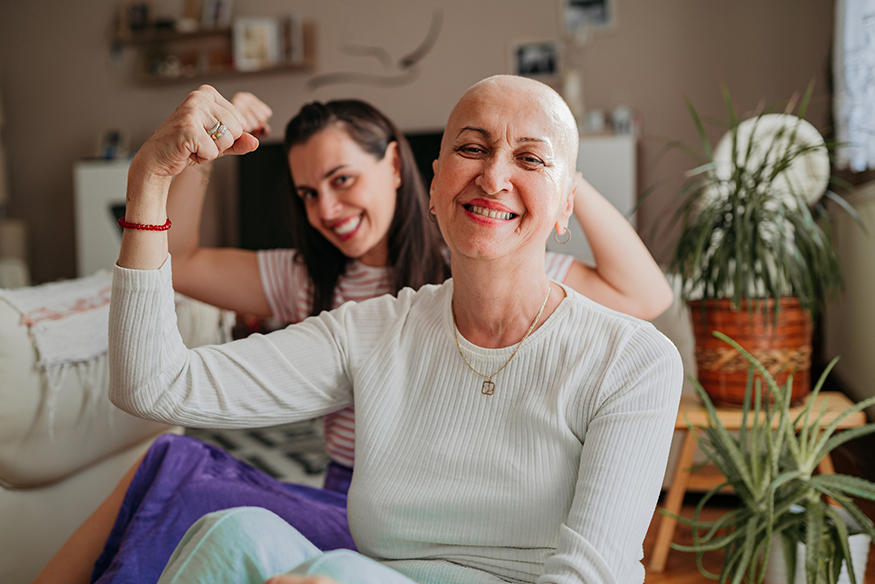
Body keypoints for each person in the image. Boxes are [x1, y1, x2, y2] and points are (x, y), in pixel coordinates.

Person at [32, 86, 673, 584]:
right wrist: (149, 182)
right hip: (374, 570)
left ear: (565, 206)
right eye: (472, 149)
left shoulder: (632, 358)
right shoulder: (371, 327)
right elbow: (153, 386)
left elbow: (593, 575)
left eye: (530, 158)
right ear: (434, 180)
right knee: (235, 533)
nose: (494, 175)